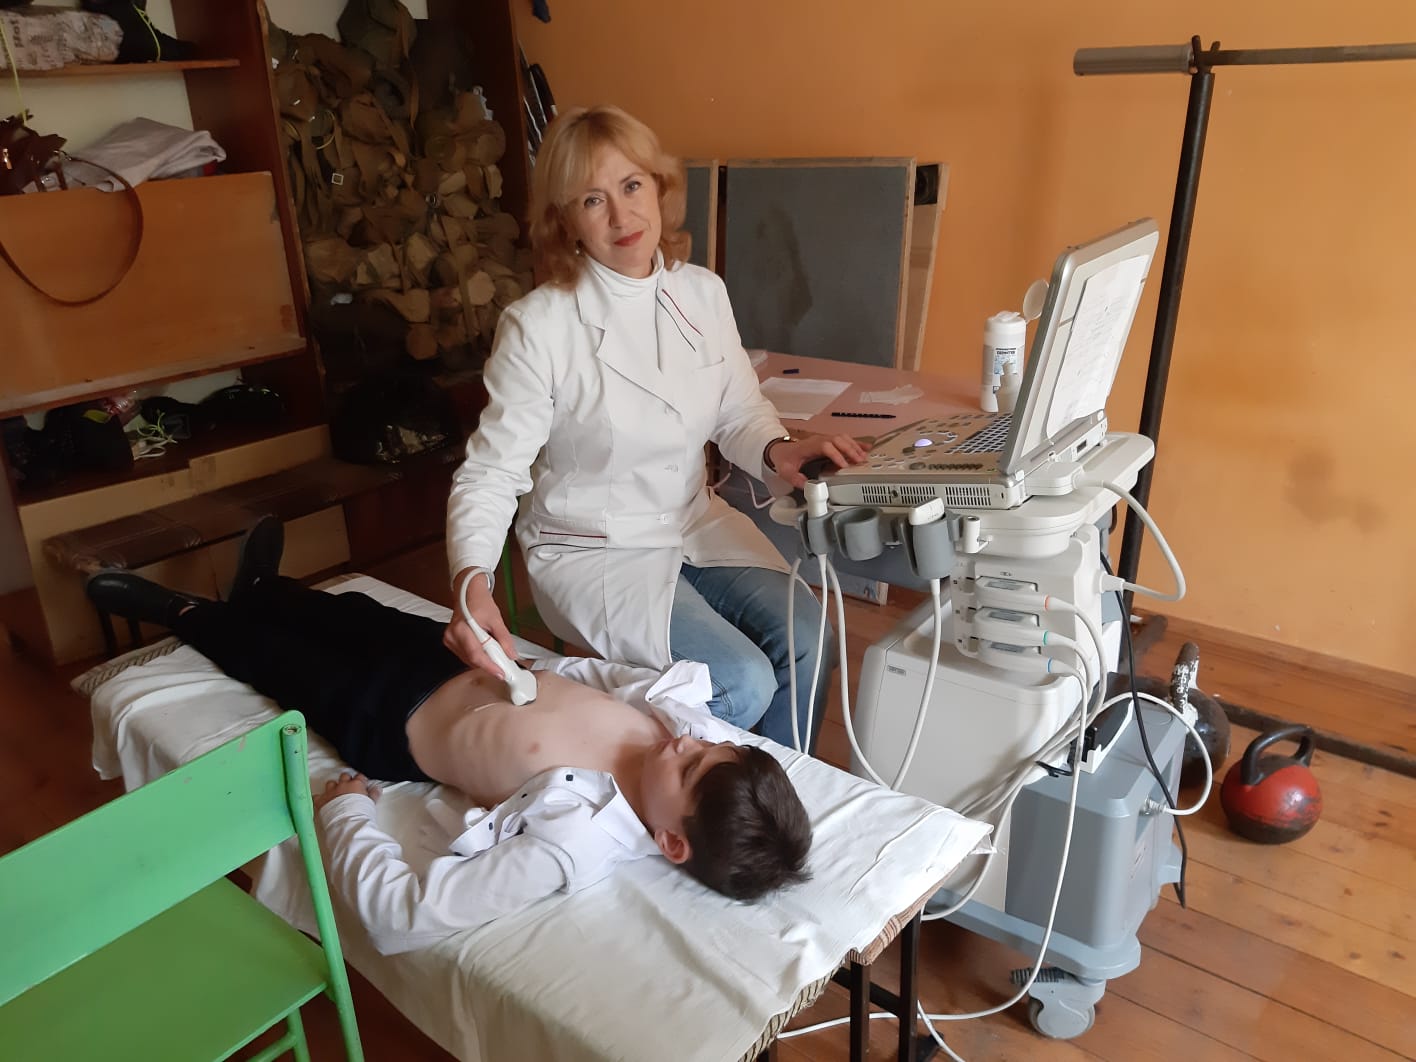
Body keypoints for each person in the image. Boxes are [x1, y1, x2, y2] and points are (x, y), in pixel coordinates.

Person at [84, 517, 812, 956]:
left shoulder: (575, 837)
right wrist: (529, 664)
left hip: (384, 719)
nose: (687, 747)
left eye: (689, 770)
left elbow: (401, 917)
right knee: (349, 614)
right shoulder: (670, 726)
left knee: (277, 660)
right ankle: (262, 589)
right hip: (455, 664)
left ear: (672, 843)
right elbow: (604, 677)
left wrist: (347, 813)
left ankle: (180, 612)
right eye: (708, 747)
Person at [444, 104, 869, 752]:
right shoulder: (539, 327)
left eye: (631, 185)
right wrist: (470, 578)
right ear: (565, 219)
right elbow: (492, 471)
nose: (621, 216)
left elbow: (737, 411)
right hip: (591, 548)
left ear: (659, 188)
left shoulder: (701, 293)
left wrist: (779, 449)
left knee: (810, 639)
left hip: (691, 522)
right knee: (739, 683)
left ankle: (776, 792)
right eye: (593, 199)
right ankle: (653, 772)